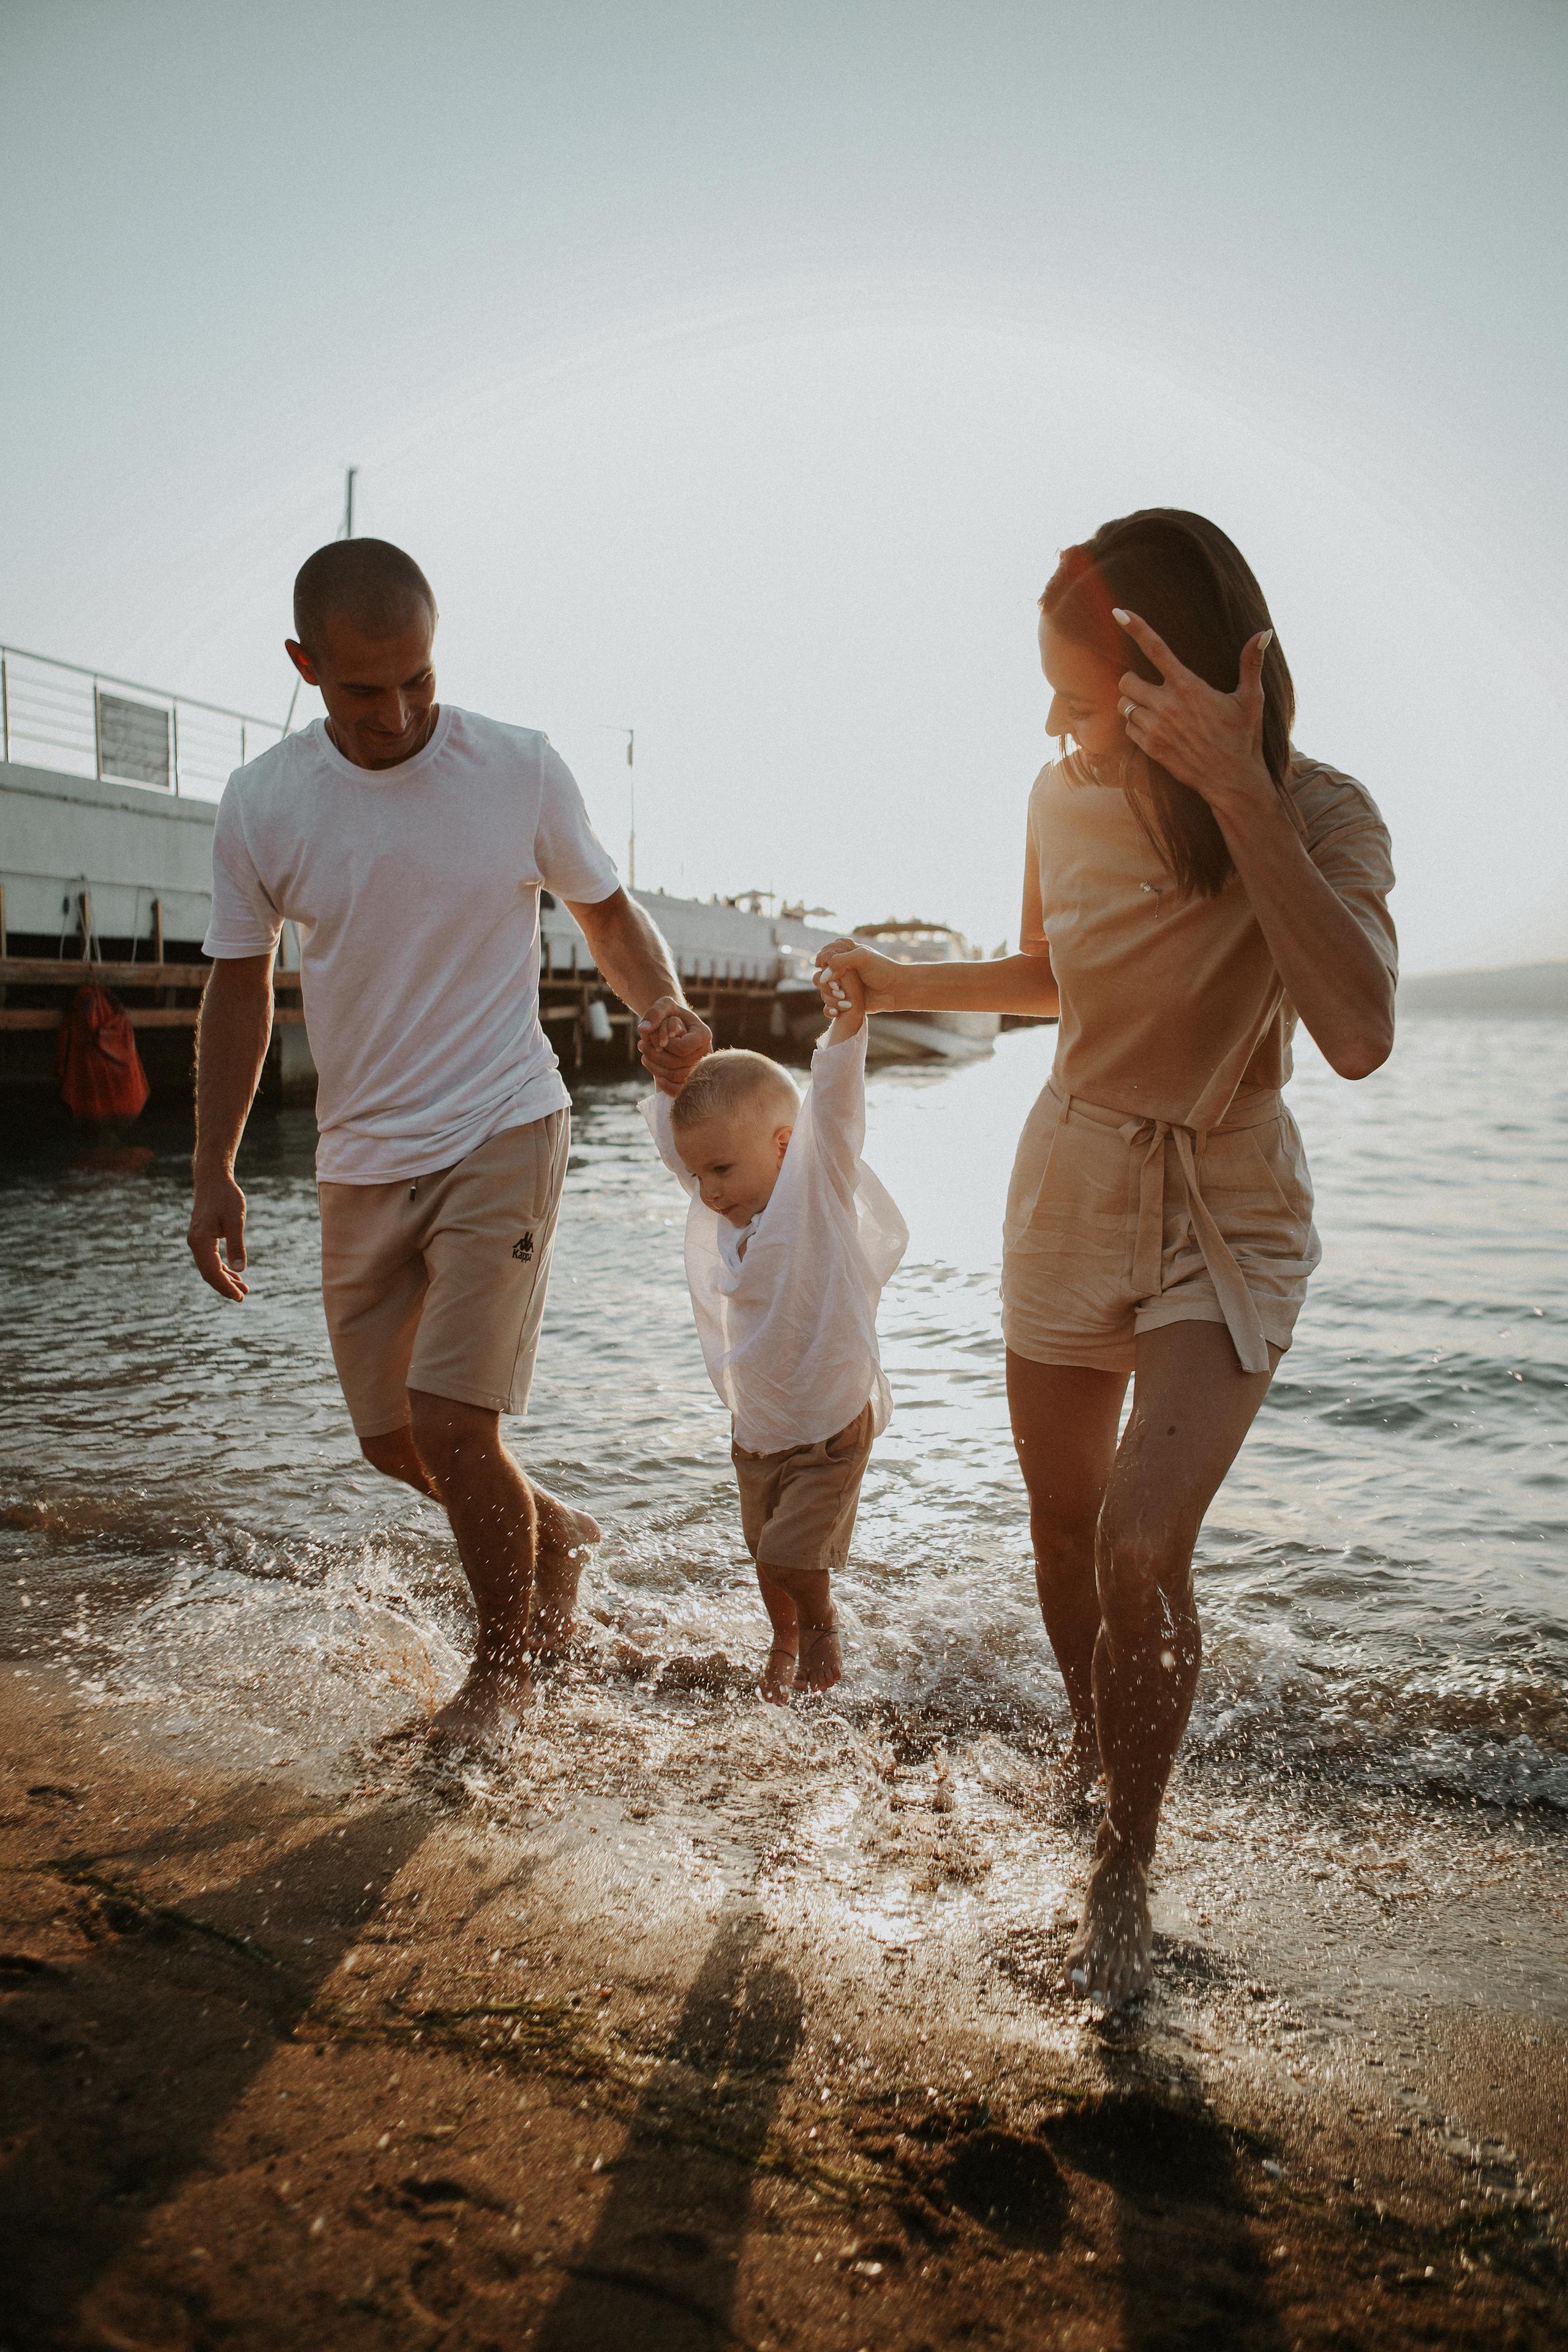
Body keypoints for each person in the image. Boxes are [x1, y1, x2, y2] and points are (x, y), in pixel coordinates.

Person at [815, 508, 1396, 2008]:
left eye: (1080, 696)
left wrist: (1235, 792)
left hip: (1226, 1197)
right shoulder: (1055, 793)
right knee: (1067, 1535)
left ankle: (1120, 1868)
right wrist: (897, 979)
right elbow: (1047, 971)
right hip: (1069, 1177)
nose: (1056, 725)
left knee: (1143, 1544)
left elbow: (1354, 1032)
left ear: (1171, 679)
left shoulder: (1325, 815)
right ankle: (1093, 1751)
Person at [187, 538, 710, 1747]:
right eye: (364, 690)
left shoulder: (515, 769)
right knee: (391, 1443)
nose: (400, 711)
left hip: (502, 1121)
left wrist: (666, 1011)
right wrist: (213, 1168)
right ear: (303, 665)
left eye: (418, 678)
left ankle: (498, 1681)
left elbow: (607, 912)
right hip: (360, 1156)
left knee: (453, 1425)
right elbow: (236, 989)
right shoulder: (265, 802)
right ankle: (555, 1539)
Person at [639, 967, 908, 1702]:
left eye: (723, 1170)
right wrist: (670, 1072)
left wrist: (847, 1023)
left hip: (827, 1420)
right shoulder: (719, 1207)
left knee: (793, 1554)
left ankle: (820, 1626)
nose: (710, 1190)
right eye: (700, 1178)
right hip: (759, 1426)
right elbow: (682, 1137)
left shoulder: (814, 1189)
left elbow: (837, 1103)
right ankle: (784, 1635)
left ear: (786, 1146)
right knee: (765, 1555)